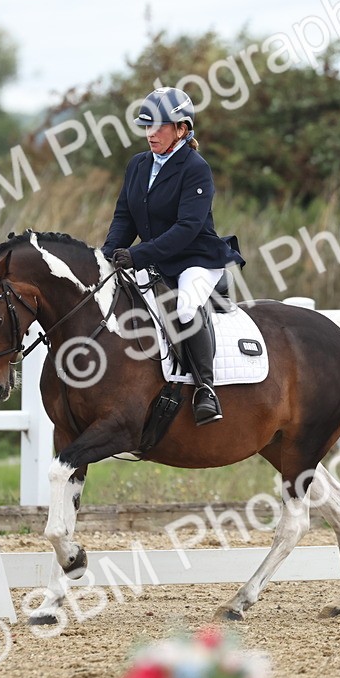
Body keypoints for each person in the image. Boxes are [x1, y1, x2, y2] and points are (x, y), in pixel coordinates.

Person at [103, 87, 244, 425]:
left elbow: (187, 227)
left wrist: (138, 254)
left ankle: (206, 389)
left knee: (184, 306)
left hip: (196, 257)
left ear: (182, 129)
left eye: (159, 127)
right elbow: (124, 216)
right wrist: (106, 256)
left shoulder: (196, 168)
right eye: (146, 127)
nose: (151, 134)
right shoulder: (138, 165)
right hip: (155, 259)